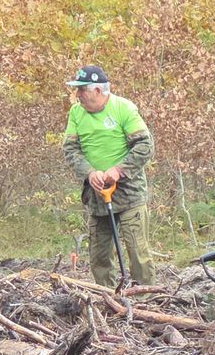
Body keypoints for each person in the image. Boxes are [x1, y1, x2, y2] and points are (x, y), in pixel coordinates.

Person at [62, 64, 155, 288]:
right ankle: (106, 298)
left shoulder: (123, 108)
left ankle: (146, 299)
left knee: (136, 250)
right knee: (99, 254)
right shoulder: (76, 113)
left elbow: (145, 145)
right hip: (96, 194)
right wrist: (89, 172)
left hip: (128, 191)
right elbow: (70, 149)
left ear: (98, 91)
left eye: (82, 90)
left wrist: (118, 170)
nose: (78, 95)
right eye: (77, 90)